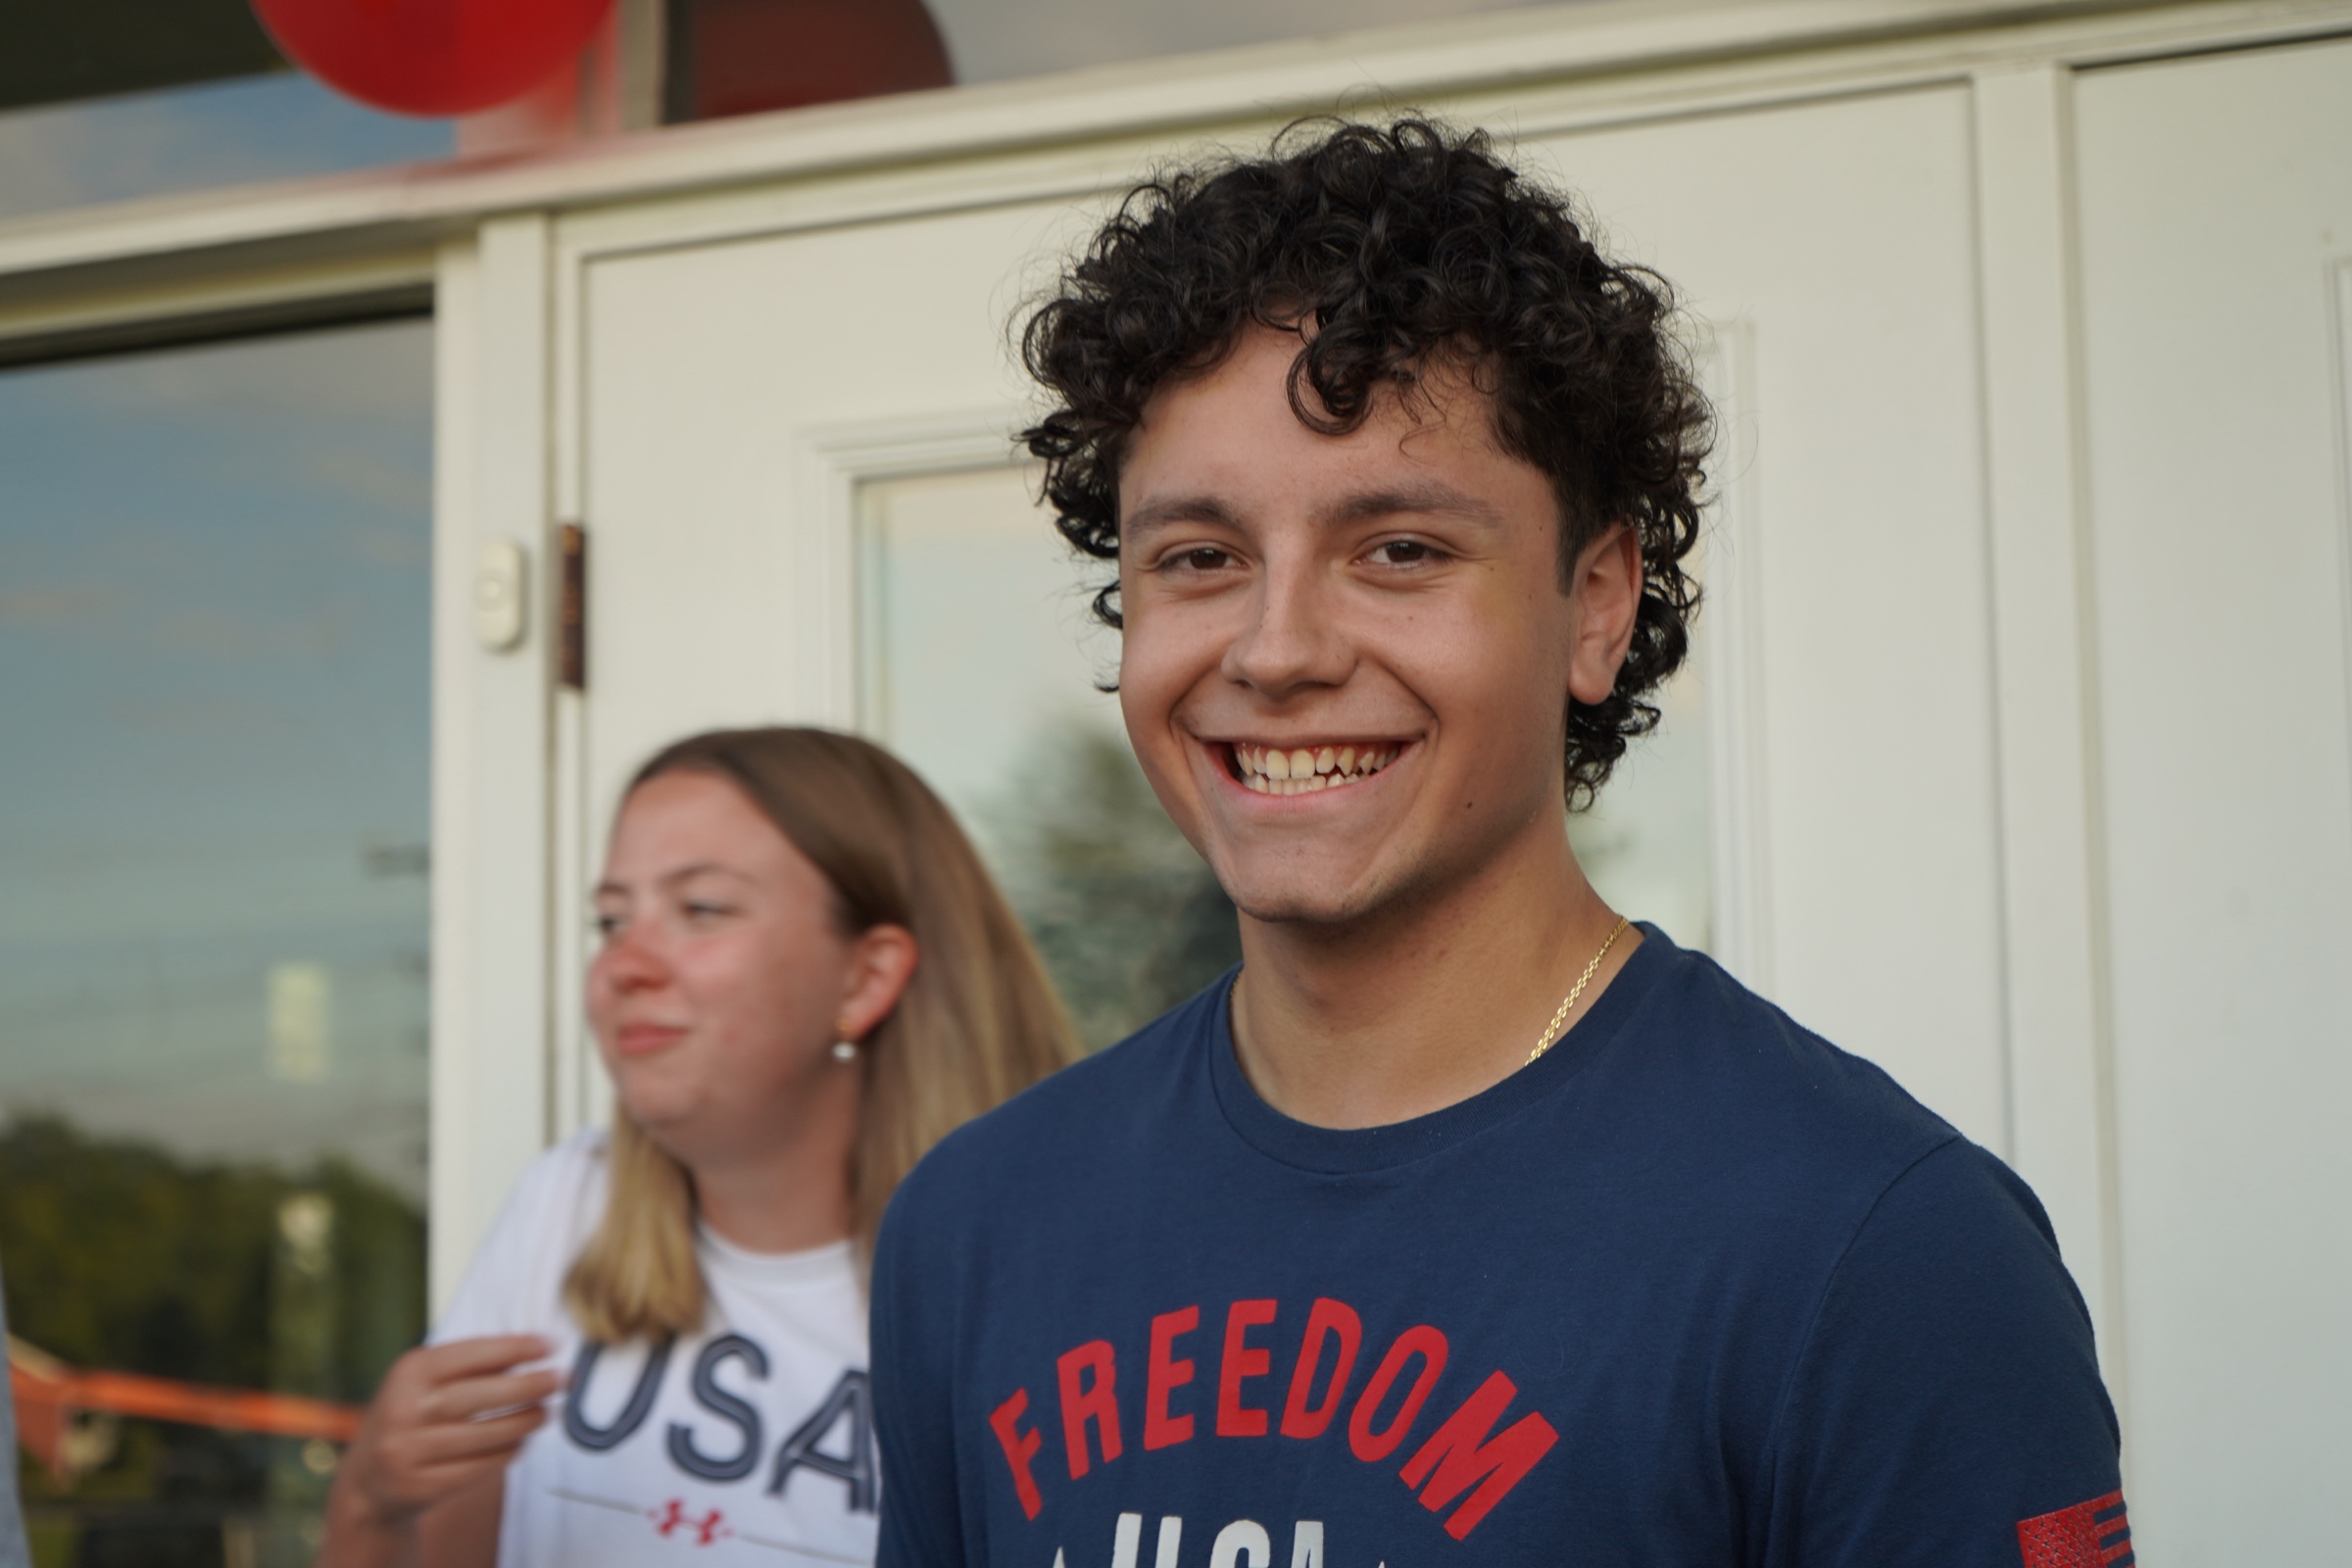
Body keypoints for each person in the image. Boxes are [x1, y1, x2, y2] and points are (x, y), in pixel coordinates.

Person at [870, 119, 2128, 1568]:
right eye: (1200, 557)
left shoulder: (1874, 1249)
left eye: (1399, 549)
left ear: (1595, 604)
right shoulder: (975, 1226)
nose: (1276, 650)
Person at [321, 727, 1074, 1568]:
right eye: (611, 920)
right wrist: (369, 1502)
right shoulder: (568, 1204)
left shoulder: (1041, 1276)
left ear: (865, 979)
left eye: (701, 909)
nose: (625, 966)